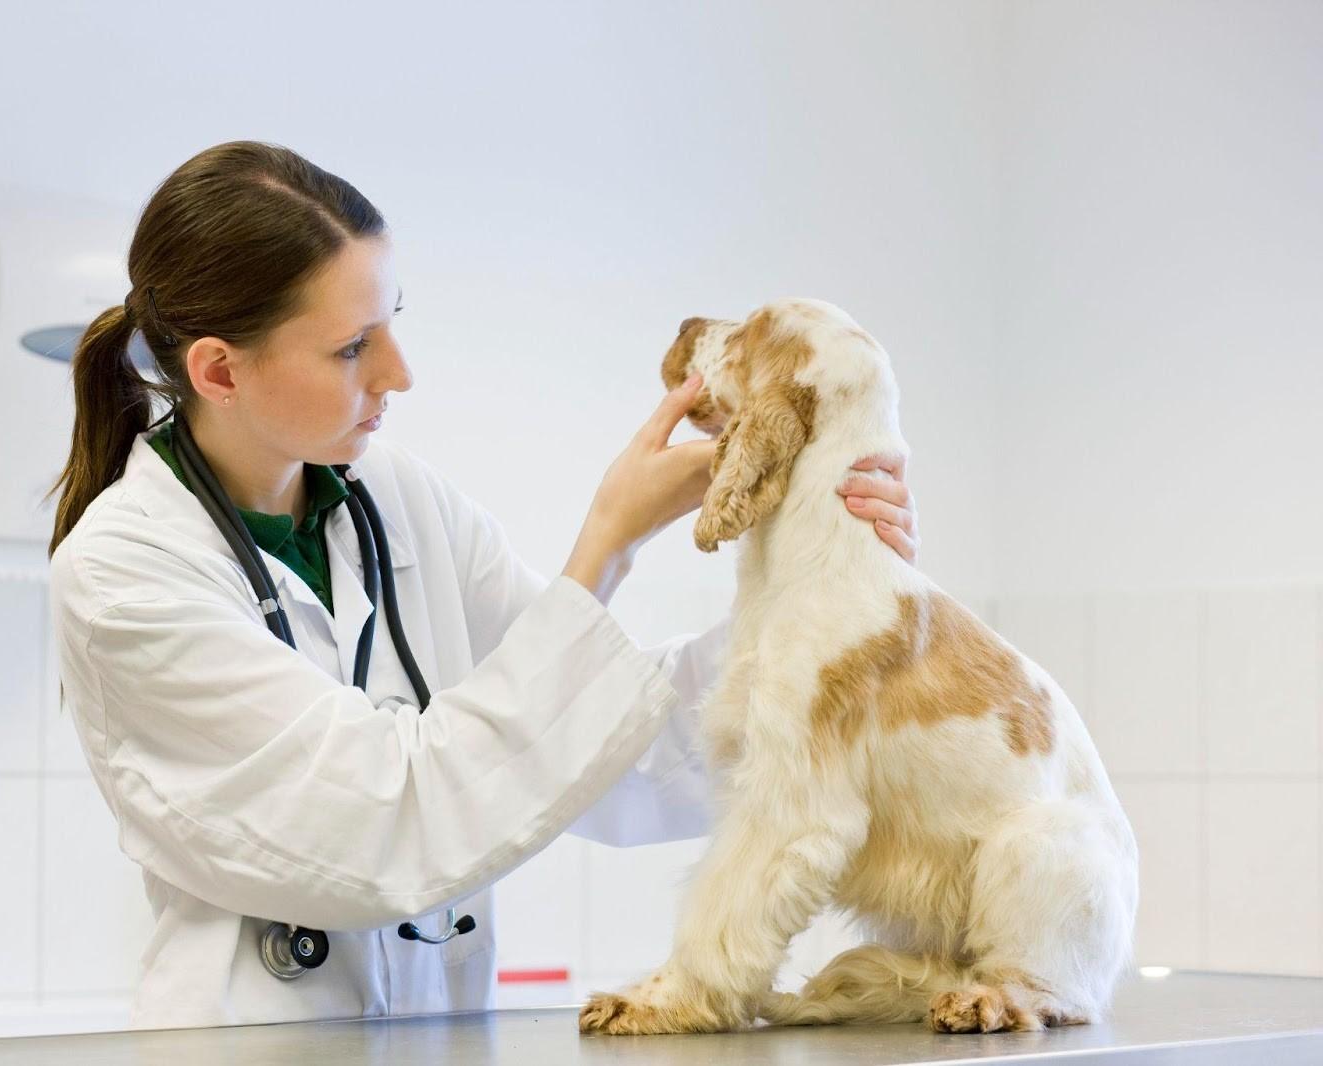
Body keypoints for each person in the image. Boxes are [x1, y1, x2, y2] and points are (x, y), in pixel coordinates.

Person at [45, 141, 920, 1029]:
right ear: (220, 371)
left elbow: (619, 747)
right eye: (353, 346)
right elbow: (388, 823)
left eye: (391, 320)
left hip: (438, 1041)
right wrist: (608, 544)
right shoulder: (124, 576)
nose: (400, 372)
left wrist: (828, 590)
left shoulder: (400, 498)